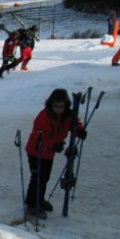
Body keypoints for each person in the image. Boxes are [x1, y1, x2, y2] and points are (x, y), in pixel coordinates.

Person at [24, 89, 87, 219]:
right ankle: (31, 205)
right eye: (56, 106)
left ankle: (39, 200)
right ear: (51, 105)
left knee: (44, 177)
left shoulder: (68, 116)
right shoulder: (44, 116)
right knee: (37, 178)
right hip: (36, 151)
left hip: (49, 153)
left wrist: (80, 131)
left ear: (66, 105)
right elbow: (39, 135)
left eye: (61, 106)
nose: (58, 109)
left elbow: (74, 125)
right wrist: (52, 144)